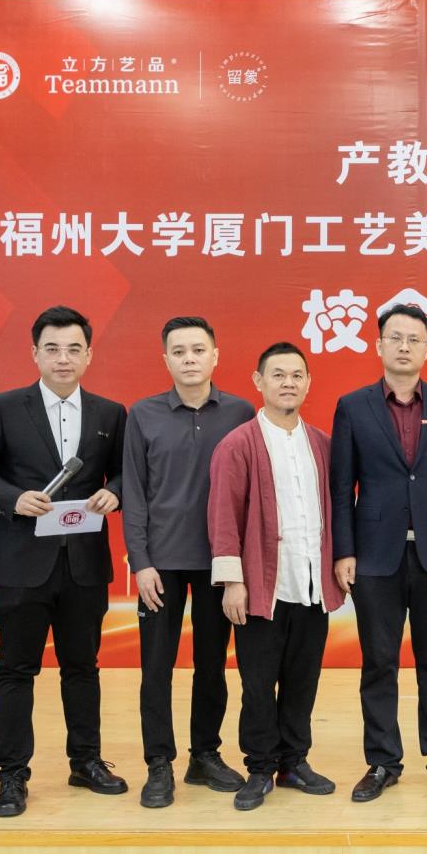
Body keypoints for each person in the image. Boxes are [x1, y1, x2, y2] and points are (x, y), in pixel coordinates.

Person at [0, 305, 128, 818]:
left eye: (74, 349)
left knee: (83, 667)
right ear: (34, 353)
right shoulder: (4, 406)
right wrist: (14, 499)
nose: (63, 358)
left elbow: (126, 473)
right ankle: (12, 775)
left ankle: (86, 761)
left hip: (83, 564)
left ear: (89, 354)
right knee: (15, 669)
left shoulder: (109, 413)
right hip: (21, 562)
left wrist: (115, 493)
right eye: (52, 349)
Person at [330, 303, 427, 802]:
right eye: (396, 338)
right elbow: (341, 486)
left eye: (414, 339)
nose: (405, 346)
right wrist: (344, 550)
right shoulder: (353, 406)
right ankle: (382, 762)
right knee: (379, 662)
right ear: (379, 345)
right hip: (374, 557)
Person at [123, 316, 256, 808]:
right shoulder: (143, 414)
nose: (189, 359)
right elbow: (134, 492)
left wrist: (240, 564)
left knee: (212, 665)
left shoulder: (241, 412)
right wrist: (141, 562)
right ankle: (159, 763)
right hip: (160, 564)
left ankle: (204, 755)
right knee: (156, 668)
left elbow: (251, 494)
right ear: (166, 360)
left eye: (198, 350)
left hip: (219, 564)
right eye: (179, 352)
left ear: (215, 356)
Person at [208, 342, 343, 811]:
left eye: (297, 375)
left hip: (310, 584)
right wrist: (233, 582)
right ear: (258, 381)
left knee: (303, 680)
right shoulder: (238, 444)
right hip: (262, 589)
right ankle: (260, 767)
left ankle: (294, 762)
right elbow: (223, 516)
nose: (288, 383)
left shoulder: (321, 444)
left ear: (308, 383)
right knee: (258, 684)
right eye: (278, 375)